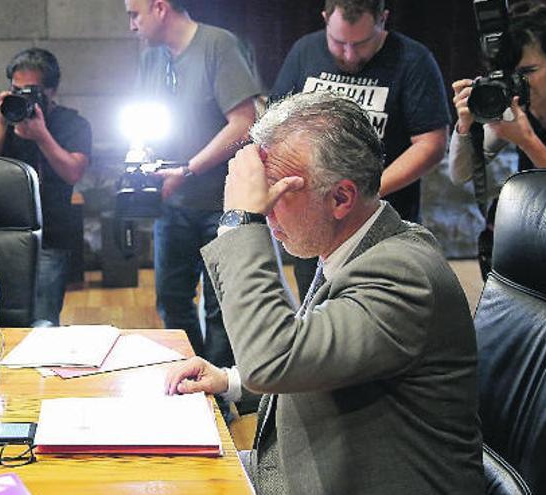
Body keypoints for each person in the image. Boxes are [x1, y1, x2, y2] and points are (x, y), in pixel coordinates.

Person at [165, 92, 483, 494]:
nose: (266, 209)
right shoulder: (357, 247)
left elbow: (274, 359)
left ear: (341, 197)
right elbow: (315, 352)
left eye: (276, 192)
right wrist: (230, 380)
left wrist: (239, 221)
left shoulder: (403, 274)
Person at [271, 0, 449, 296]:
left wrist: (367, 194)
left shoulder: (413, 59)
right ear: (325, 18)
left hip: (379, 227)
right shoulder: (305, 51)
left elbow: (431, 144)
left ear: (384, 19)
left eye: (362, 43)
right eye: (339, 42)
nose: (350, 54)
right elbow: (276, 126)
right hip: (314, 225)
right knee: (316, 318)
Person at [124, 0, 261, 371]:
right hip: (172, 202)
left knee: (221, 309)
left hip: (222, 202)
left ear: (160, 8)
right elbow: (144, 122)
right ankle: (191, 381)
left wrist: (188, 169)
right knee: (171, 300)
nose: (132, 25)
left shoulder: (218, 45)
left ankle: (221, 394)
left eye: (134, 15)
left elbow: (245, 122)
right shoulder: (152, 59)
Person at [449, 0, 546, 278]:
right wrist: (465, 127)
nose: (520, 84)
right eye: (512, 75)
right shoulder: (512, 104)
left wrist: (528, 142)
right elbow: (460, 174)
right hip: (542, 230)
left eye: (529, 72)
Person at [0, 48, 92, 326]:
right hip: (4, 233)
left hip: (52, 234)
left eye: (31, 90)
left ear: (51, 91)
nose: (22, 97)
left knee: (43, 320)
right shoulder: (4, 120)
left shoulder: (72, 123)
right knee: (0, 319)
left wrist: (42, 136)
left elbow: (72, 171)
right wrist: (3, 120)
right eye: (16, 89)